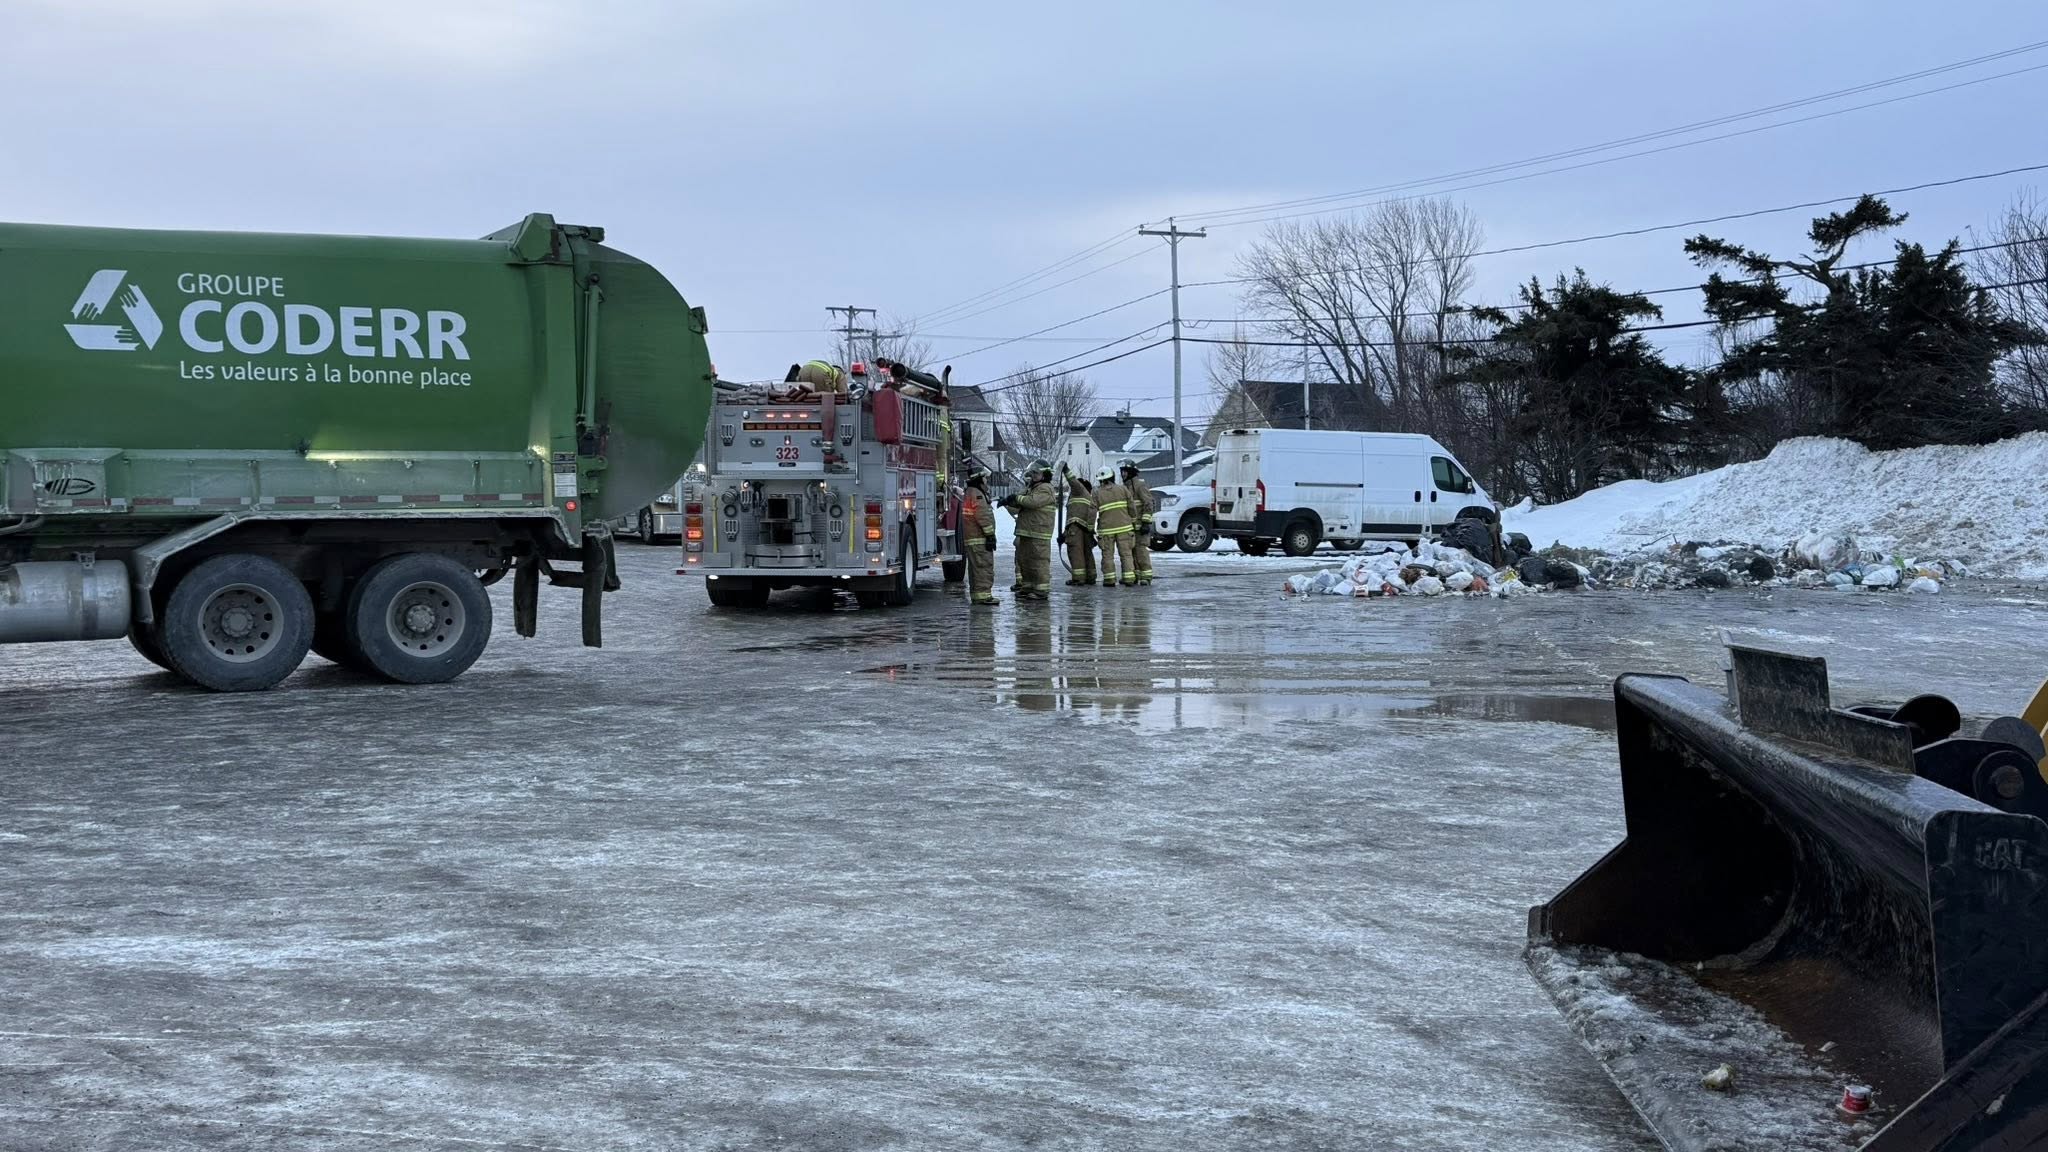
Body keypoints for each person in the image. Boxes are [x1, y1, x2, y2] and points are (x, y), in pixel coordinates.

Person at [1001, 461, 1057, 601]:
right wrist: (1008, 502)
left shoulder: (1046, 488)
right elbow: (1018, 506)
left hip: (1039, 532)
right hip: (1027, 531)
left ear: (1045, 474)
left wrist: (1017, 498)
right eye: (1032, 473)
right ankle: (1028, 587)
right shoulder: (1031, 488)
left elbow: (1032, 502)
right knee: (1025, 561)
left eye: (1036, 473)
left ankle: (1041, 590)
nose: (1033, 476)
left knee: (1039, 561)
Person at [1093, 466, 1137, 587]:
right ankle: (1129, 578)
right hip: (1125, 528)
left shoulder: (1097, 493)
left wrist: (1090, 527)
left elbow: (1092, 511)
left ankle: (1109, 579)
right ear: (1112, 476)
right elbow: (1132, 506)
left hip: (1106, 530)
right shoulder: (1123, 489)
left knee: (1107, 556)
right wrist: (1133, 520)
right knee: (1126, 554)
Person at [960, 472, 999, 606]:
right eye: (985, 478)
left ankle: (978, 595)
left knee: (975, 569)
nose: (986, 480)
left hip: (973, 538)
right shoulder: (977, 494)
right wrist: (990, 535)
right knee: (983, 566)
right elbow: (982, 516)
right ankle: (984, 596)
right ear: (979, 479)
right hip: (979, 538)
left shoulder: (970, 492)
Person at [1122, 461, 1158, 586]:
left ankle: (1146, 577)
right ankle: (1135, 576)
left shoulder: (1139, 485)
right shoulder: (1125, 487)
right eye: (1122, 472)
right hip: (1130, 527)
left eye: (1125, 472)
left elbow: (1149, 504)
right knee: (1131, 552)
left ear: (1131, 472)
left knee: (1141, 551)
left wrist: (1146, 523)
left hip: (1141, 527)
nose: (1123, 474)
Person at [1063, 471, 1097, 586]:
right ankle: (1091, 576)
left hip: (1075, 529)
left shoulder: (1078, 492)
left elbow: (1073, 482)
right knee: (1087, 552)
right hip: (1086, 529)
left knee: (1075, 552)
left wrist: (1066, 470)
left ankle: (1078, 579)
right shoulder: (1088, 497)